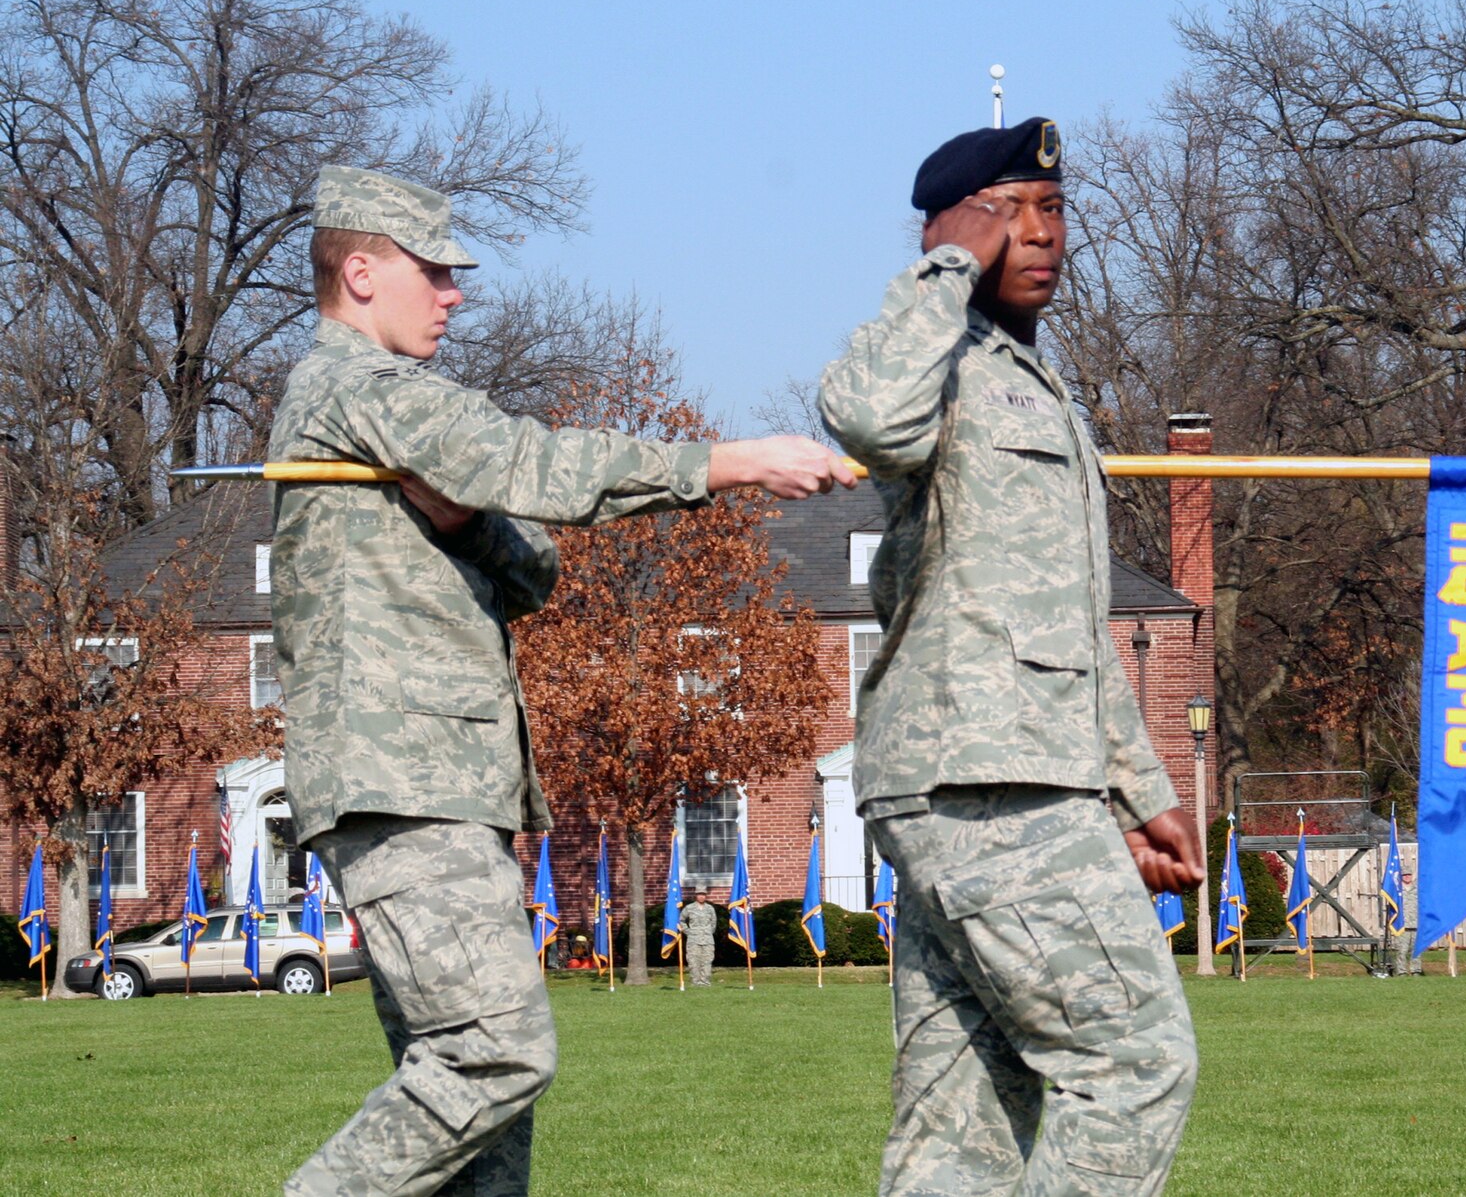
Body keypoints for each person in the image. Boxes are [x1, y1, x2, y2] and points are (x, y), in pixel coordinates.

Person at [273, 165, 853, 1196]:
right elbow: (530, 462)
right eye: (433, 272)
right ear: (359, 273)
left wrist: (462, 512)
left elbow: (532, 562)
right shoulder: (355, 388)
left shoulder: (385, 416)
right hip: (397, 782)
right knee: (492, 1055)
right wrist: (729, 462)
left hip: (446, 785)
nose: (453, 294)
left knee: (483, 1116)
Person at [819, 118, 1205, 1196]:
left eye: (1051, 208)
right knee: (1131, 1061)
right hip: (981, 779)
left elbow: (1075, 626)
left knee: (962, 1121)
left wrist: (1136, 786)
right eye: (1004, 210)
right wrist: (948, 263)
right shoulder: (932, 359)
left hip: (1010, 773)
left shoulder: (1032, 385)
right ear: (944, 231)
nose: (1036, 233)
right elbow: (860, 413)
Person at [682, 887, 717, 986]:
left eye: (703, 894)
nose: (701, 896)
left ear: (705, 896)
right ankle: (695, 981)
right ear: (696, 896)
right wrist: (688, 931)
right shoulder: (689, 908)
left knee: (707, 961)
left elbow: (713, 923)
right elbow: (681, 921)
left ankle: (705, 981)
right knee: (693, 961)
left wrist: (708, 932)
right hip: (693, 939)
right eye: (699, 894)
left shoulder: (710, 908)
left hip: (708, 940)